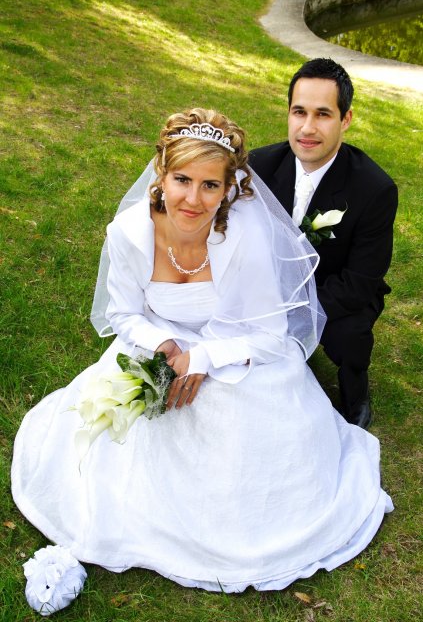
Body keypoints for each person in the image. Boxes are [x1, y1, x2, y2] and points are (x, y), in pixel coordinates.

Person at [12, 108, 393, 595]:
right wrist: (164, 346)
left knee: (229, 430)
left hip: (238, 350)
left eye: (210, 185)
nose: (193, 199)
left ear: (230, 187)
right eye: (182, 180)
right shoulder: (129, 232)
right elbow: (123, 314)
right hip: (158, 344)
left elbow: (271, 333)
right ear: (161, 174)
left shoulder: (244, 234)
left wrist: (204, 358)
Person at [249, 58, 398, 429]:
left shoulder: (375, 189)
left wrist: (295, 314)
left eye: (323, 114)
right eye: (299, 112)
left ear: (346, 119)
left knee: (349, 336)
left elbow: (360, 281)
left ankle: (355, 389)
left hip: (337, 293)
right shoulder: (258, 168)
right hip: (268, 287)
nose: (307, 128)